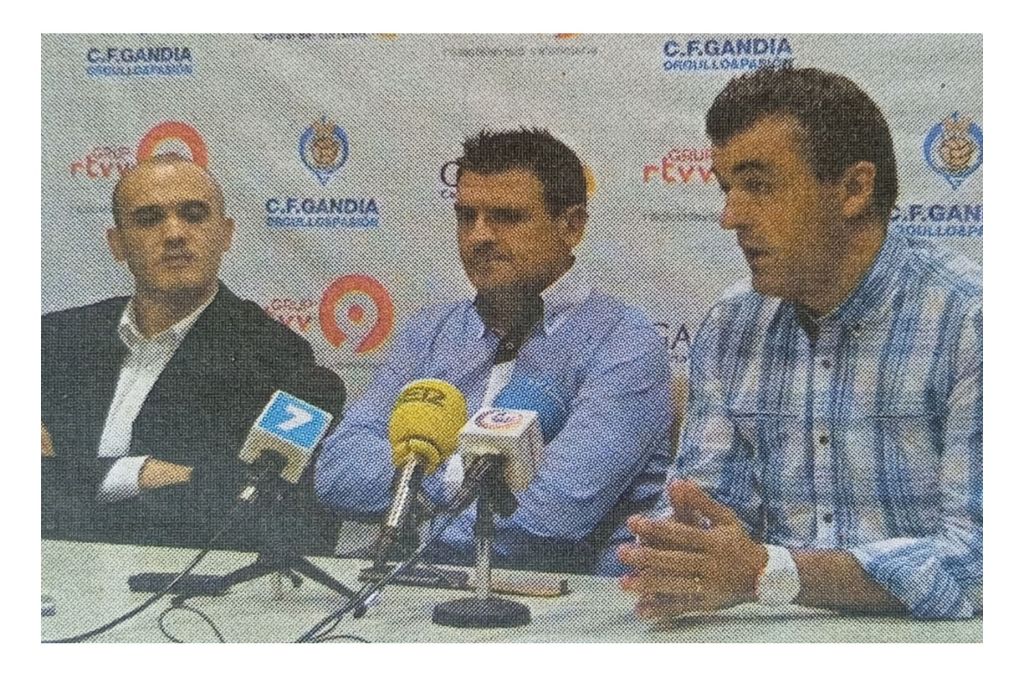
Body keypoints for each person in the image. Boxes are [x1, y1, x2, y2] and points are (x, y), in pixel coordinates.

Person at [618, 67, 982, 619]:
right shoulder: (732, 324)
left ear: (854, 189)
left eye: (759, 186)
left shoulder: (972, 318)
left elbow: (984, 557)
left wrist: (774, 574)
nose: (730, 217)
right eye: (727, 189)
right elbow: (708, 519)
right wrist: (684, 556)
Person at [316, 128, 671, 574]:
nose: (479, 236)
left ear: (571, 226)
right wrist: (464, 483)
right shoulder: (428, 332)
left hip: (554, 601)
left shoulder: (624, 341)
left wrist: (413, 502)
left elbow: (552, 514)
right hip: (406, 587)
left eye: (506, 217)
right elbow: (338, 469)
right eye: (467, 216)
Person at [41, 153, 345, 553]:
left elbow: (264, 514)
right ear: (117, 244)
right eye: (149, 219)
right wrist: (143, 473)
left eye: (194, 215)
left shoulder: (276, 359)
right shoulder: (52, 339)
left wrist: (61, 474)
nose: (174, 233)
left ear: (226, 234)